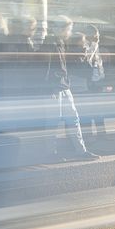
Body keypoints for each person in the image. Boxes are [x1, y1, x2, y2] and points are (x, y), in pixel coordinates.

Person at [42, 15, 99, 161]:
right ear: (61, 29)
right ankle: (50, 153)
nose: (70, 32)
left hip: (63, 86)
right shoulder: (51, 44)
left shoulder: (61, 43)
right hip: (56, 88)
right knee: (54, 122)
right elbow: (46, 68)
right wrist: (51, 89)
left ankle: (81, 151)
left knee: (73, 118)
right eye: (69, 29)